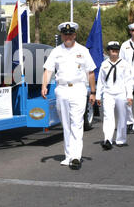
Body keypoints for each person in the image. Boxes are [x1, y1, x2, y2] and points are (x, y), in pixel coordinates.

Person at [41, 22, 96, 170]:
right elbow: (48, 70)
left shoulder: (83, 50)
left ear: (75, 35)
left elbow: (90, 72)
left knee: (76, 123)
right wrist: (44, 85)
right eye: (65, 34)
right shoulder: (56, 51)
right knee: (65, 124)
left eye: (70, 34)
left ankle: (76, 156)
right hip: (62, 90)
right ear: (62, 36)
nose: (68, 37)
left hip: (78, 89)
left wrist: (93, 92)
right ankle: (68, 156)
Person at [96, 41, 133, 149]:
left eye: (116, 50)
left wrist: (129, 95)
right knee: (108, 117)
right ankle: (108, 139)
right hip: (108, 94)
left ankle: (120, 139)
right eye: (112, 50)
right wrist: (98, 95)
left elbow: (128, 81)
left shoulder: (124, 64)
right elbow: (101, 82)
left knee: (122, 117)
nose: (114, 52)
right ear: (109, 51)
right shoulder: (104, 64)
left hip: (121, 93)